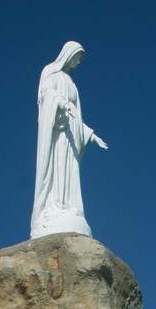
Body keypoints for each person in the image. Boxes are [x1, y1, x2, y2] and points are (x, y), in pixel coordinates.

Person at [31, 41, 108, 239]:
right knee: (55, 172)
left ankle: (67, 208)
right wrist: (60, 103)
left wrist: (91, 135)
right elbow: (47, 95)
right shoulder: (50, 71)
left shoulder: (72, 84)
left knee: (67, 174)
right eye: (76, 58)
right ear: (67, 54)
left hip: (69, 138)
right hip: (56, 134)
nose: (77, 63)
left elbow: (76, 116)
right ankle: (53, 209)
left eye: (80, 60)